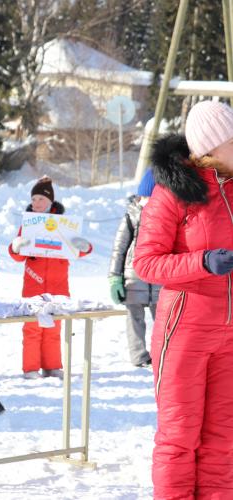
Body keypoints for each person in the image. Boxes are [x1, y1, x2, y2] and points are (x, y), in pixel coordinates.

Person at [133, 100, 233, 499]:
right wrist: (202, 262)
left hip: (229, 337)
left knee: (223, 439)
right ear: (209, 147)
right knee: (179, 437)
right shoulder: (174, 193)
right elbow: (146, 262)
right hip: (184, 333)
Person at [8, 176, 92, 380]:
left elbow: (77, 249)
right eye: (34, 199)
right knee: (33, 326)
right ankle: (30, 368)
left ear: (50, 202)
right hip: (33, 285)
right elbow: (18, 256)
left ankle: (52, 366)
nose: (36, 203)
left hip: (58, 286)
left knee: (54, 326)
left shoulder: (64, 225)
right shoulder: (28, 225)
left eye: (41, 199)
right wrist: (16, 247)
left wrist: (84, 247)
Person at [107, 169, 160, 368]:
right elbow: (119, 249)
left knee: (162, 320)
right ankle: (139, 356)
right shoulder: (131, 217)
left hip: (159, 279)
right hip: (133, 278)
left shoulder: (166, 217)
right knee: (134, 319)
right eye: (146, 197)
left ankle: (161, 353)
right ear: (139, 196)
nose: (149, 202)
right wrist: (115, 278)